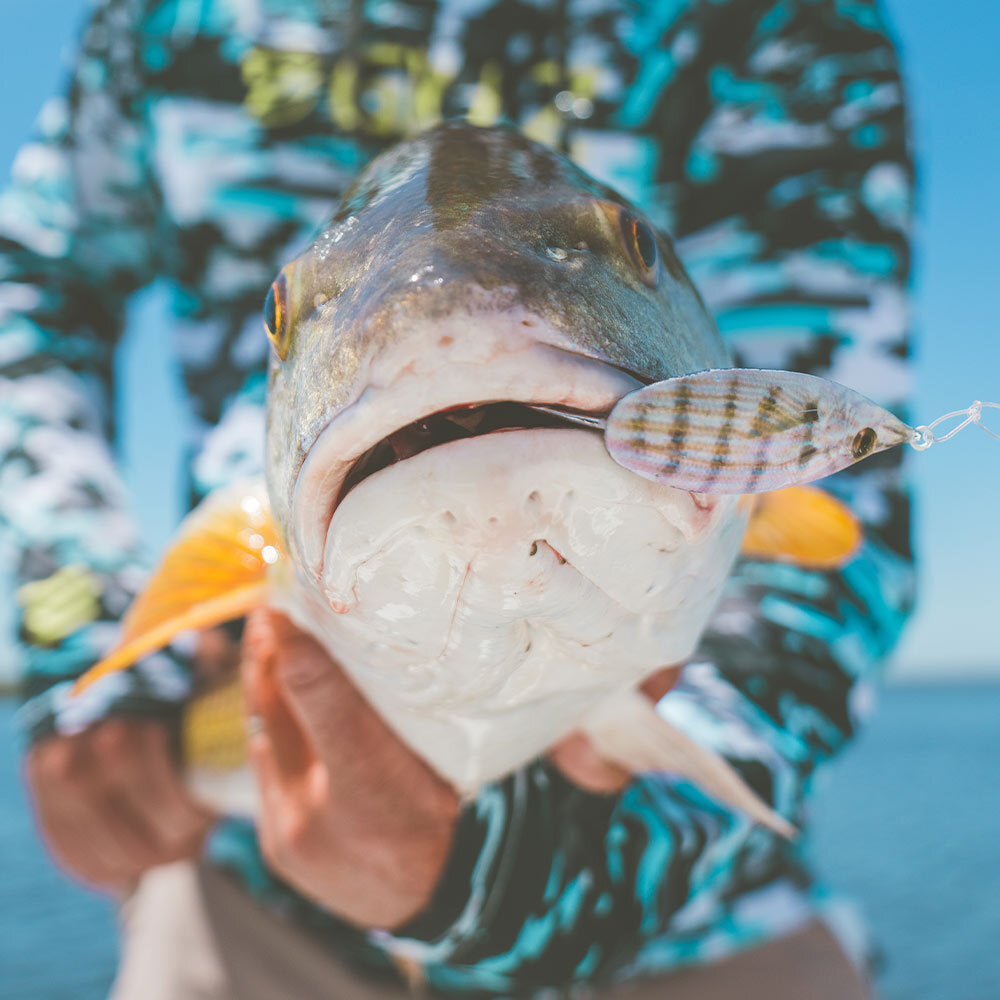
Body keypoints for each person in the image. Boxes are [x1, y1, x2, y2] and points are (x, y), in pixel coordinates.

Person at [4, 0, 914, 996]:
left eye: (629, 248)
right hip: (256, 904)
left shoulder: (776, 22)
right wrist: (81, 646)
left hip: (686, 910)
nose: (452, 330)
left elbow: (828, 491)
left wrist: (525, 873)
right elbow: (31, 284)